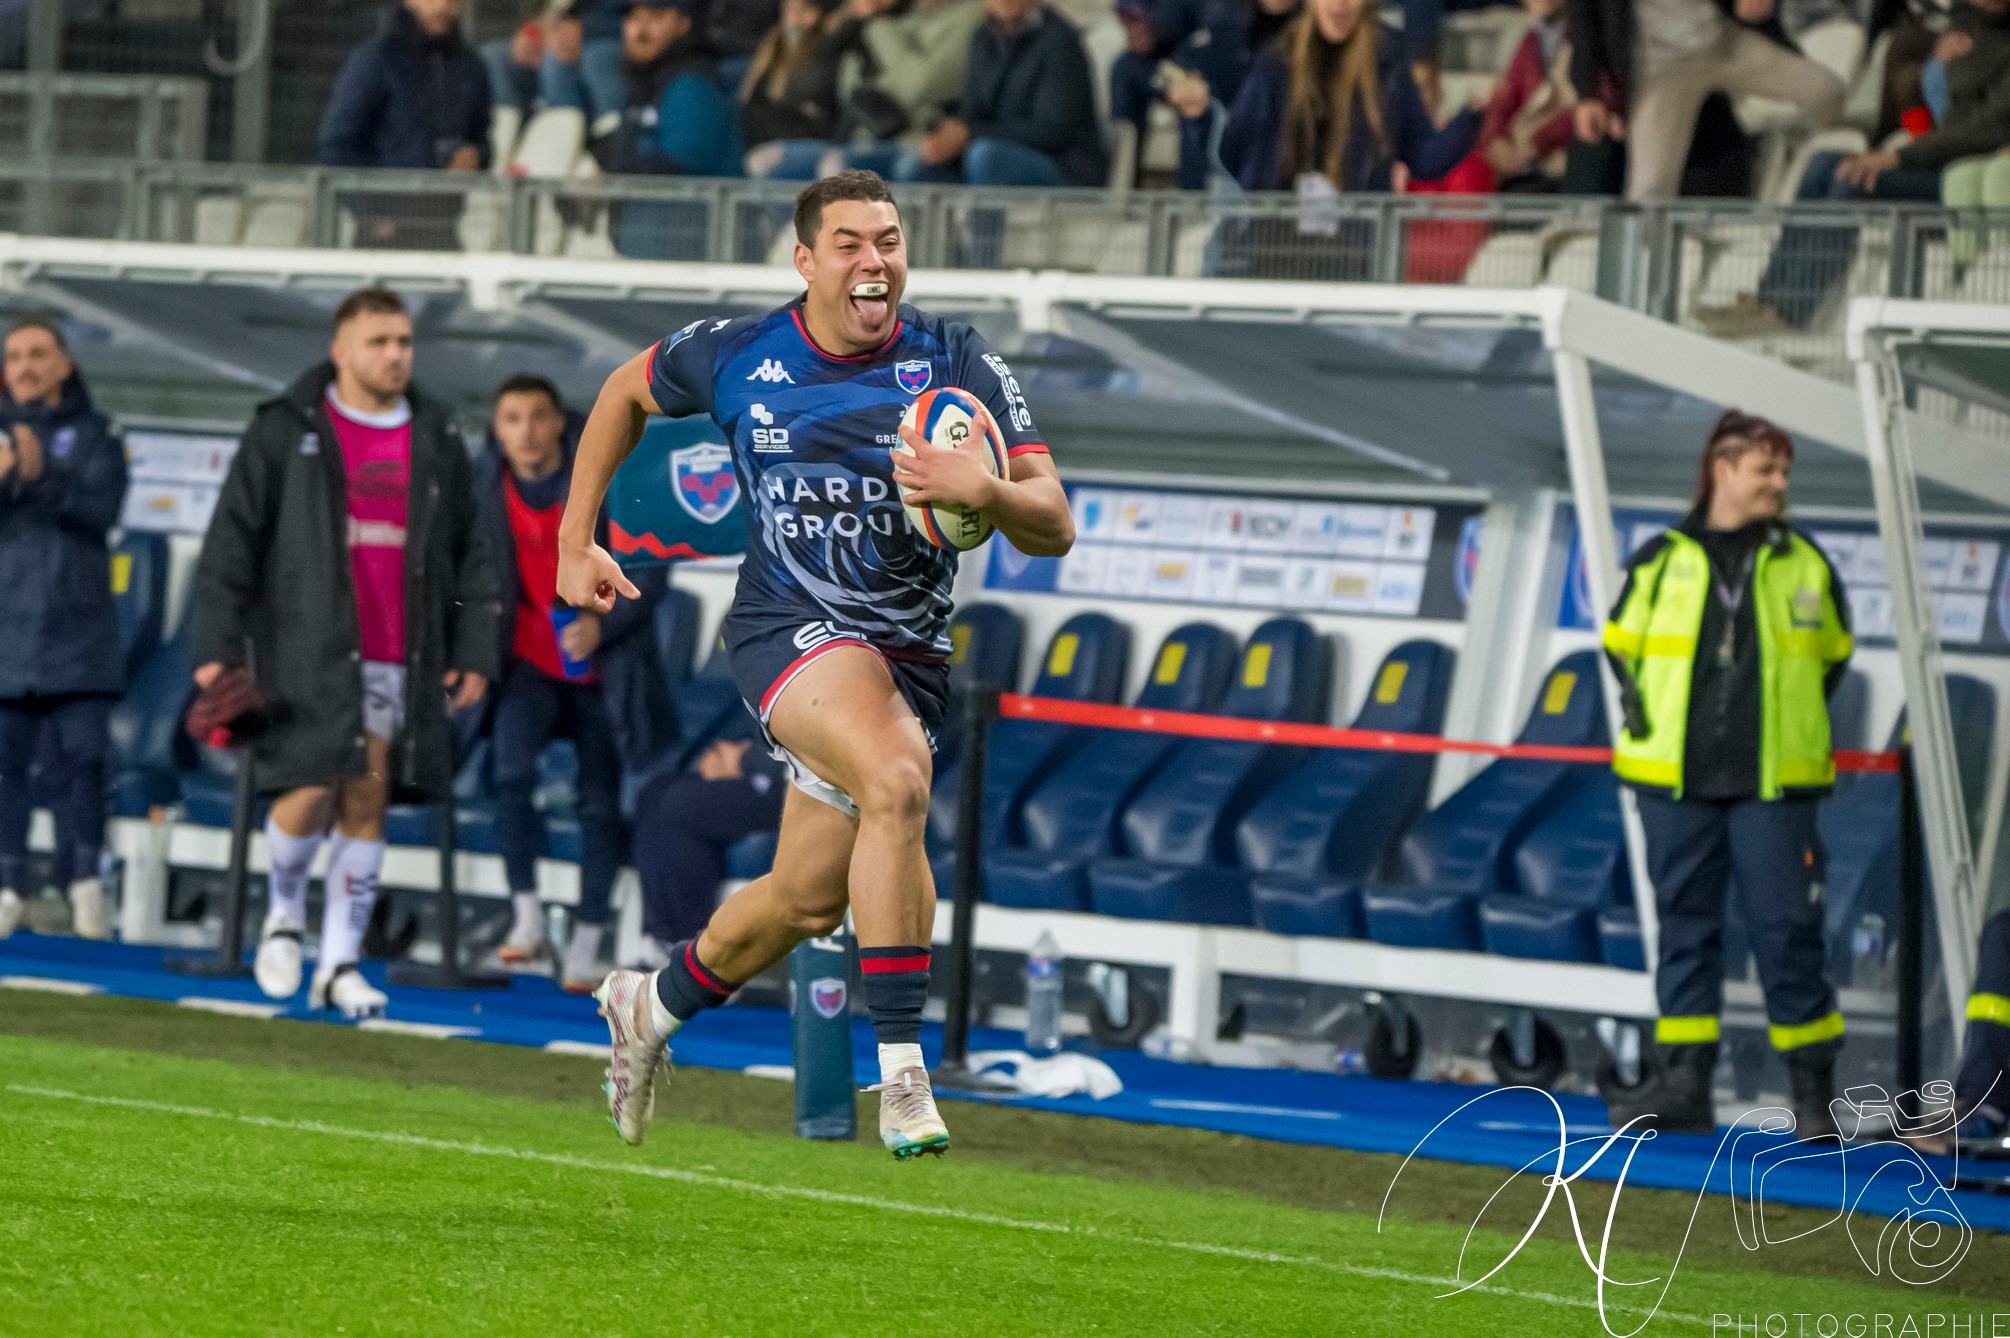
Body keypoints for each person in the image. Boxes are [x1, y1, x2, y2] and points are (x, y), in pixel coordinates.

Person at [556, 170, 1074, 1158]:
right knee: (897, 777)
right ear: (806, 260)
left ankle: (647, 1005)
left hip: (907, 656)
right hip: (785, 627)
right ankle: (903, 1073)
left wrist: (986, 492)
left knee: (804, 897)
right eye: (850, 243)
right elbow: (625, 390)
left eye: (888, 241)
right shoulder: (740, 354)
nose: (874, 262)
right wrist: (575, 539)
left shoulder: (957, 361)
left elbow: (1053, 519)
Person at [189, 288, 497, 1020]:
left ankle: (339, 964)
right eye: (379, 342)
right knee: (310, 785)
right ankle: (284, 913)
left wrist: (474, 646)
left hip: (400, 649)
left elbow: (470, 549)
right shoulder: (284, 427)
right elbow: (231, 541)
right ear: (341, 350)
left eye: (404, 342)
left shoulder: (436, 433)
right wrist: (217, 648)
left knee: (367, 795)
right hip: (303, 646)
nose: (396, 355)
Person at [1601, 411, 1853, 1139]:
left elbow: (1831, 660)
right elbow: (1620, 649)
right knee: (1684, 931)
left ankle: (1813, 1098)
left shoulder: (1807, 563)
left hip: (1774, 786)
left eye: (1784, 471)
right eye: (1765, 469)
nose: (1779, 483)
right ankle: (1684, 1089)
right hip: (1675, 785)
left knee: (1788, 933)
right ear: (1723, 469)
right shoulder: (1659, 560)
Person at [475, 373, 675, 992]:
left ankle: (585, 946)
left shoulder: (605, 475)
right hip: (528, 665)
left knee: (598, 803)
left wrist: (599, 621)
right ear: (497, 429)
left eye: (538, 416)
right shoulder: (483, 487)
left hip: (603, 674)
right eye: (512, 419)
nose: (527, 432)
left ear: (561, 422)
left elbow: (653, 569)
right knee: (509, 776)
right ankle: (526, 918)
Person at [1700, 0, 2010, 334]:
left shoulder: (1985, 45)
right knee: (1825, 163)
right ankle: (1766, 298)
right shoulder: (1961, 28)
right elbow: (1925, 107)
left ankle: (1789, 312)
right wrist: (1911, 136)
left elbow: (1985, 129)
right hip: (1934, 151)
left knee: (1853, 182)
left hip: (1969, 171)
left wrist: (1903, 155)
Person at [0, 322, 128, 943]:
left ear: (64, 363)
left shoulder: (99, 436)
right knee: (4, 771)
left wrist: (38, 474)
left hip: (79, 640)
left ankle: (84, 888)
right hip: (6, 638)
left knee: (83, 768)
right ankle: (7, 888)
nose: (25, 366)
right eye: (14, 356)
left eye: (37, 354)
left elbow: (102, 509)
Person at [1565, 0, 1843, 201]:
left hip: (1725, 42)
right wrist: (1587, 94)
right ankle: (1645, 263)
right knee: (1649, 189)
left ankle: (1827, 159)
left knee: (1825, 90)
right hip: (1661, 69)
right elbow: (1583, 18)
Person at [1208, 0, 1484, 194]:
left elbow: (1424, 158)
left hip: (1358, 239)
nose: (1340, 4)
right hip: (1276, 238)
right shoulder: (1275, 62)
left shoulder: (1389, 59)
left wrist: (1474, 119)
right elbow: (1233, 149)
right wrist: (1203, 118)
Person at [746, 0, 988, 182]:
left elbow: (922, 86)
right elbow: (848, 86)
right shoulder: (902, 15)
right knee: (763, 162)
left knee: (838, 167)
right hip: (858, 135)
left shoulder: (973, 13)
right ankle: (800, 233)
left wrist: (877, 22)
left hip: (911, 138)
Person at [319, 0, 494, 250]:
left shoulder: (471, 66)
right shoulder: (377, 59)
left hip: (443, 226)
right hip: (383, 233)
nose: (442, 6)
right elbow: (339, 144)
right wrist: (371, 211)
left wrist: (475, 156)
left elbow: (482, 137)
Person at [894, 0, 1110, 187]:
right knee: (915, 162)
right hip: (989, 148)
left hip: (1064, 165)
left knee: (986, 157)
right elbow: (972, 111)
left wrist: (970, 134)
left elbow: (1055, 130)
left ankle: (981, 226)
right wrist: (947, 135)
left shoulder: (1059, 40)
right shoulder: (982, 38)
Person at [594, 0, 743, 258]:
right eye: (634, 18)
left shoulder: (691, 84)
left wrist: (613, 178)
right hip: (651, 250)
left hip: (691, 254)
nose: (641, 30)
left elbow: (683, 162)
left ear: (683, 24)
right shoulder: (646, 83)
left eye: (655, 17)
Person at [1109, 0, 1301, 189]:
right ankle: (1120, 190)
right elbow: (1165, 22)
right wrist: (1143, 22)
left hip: (1256, 89)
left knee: (1214, 106)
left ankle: (1199, 198)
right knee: (1126, 68)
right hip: (1197, 75)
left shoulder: (1305, 20)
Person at [630, 729, 788, 956]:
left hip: (784, 786)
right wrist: (727, 751)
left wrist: (744, 758)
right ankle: (662, 935)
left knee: (680, 804)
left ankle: (688, 942)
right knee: (655, 792)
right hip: (749, 763)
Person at [483, 1, 631, 136]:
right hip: (558, 31)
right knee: (493, 56)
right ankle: (504, 139)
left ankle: (572, 139)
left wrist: (584, 31)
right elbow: (554, 11)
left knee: (556, 61)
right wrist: (533, 32)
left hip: (605, 38)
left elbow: (635, 14)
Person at [739, 0, 851, 171]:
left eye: (803, 9)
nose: (794, 17)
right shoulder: (773, 47)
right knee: (757, 160)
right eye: (789, 9)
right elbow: (752, 103)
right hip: (774, 138)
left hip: (818, 139)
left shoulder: (828, 47)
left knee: (832, 163)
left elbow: (822, 104)